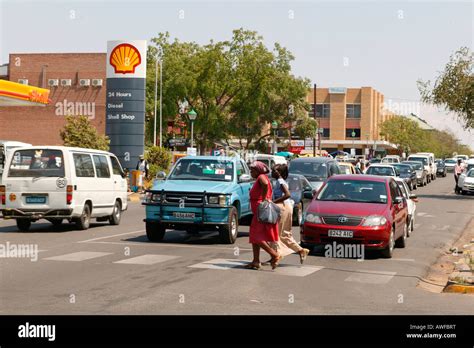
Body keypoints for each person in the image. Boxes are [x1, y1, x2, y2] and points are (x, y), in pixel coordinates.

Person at [270, 164, 310, 264]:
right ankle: (301, 250)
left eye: (274, 170)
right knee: (284, 234)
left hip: (283, 207)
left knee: (276, 233)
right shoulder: (280, 181)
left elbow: (287, 194)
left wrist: (273, 202)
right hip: (286, 207)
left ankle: (277, 255)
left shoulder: (280, 181)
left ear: (278, 172)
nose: (272, 172)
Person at [246, 161, 281, 270]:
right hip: (259, 210)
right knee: (254, 235)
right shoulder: (261, 177)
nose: (251, 172)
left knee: (256, 236)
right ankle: (256, 261)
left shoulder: (261, 177)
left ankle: (274, 255)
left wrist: (264, 198)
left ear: (258, 171)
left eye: (252, 170)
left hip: (260, 210)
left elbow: (265, 184)